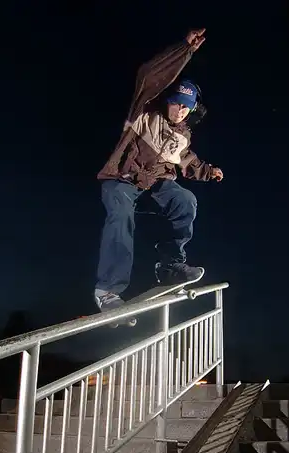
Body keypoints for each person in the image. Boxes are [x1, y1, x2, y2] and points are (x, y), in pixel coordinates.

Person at [94, 28, 224, 315]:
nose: (179, 111)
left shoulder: (183, 136)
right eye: (176, 103)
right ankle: (108, 290)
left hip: (154, 186)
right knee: (121, 215)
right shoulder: (143, 111)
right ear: (168, 100)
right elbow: (149, 75)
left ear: (192, 110)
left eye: (186, 108)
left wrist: (209, 171)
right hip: (121, 180)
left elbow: (189, 162)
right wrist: (184, 50)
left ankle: (170, 265)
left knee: (185, 201)